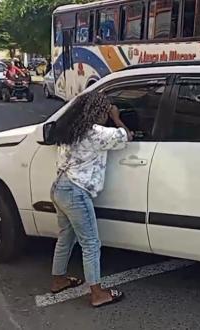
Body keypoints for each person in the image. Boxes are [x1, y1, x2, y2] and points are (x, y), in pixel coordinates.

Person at [49, 92, 132, 308]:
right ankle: (97, 293)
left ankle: (58, 279)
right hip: (76, 192)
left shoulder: (70, 129)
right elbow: (126, 136)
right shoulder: (97, 133)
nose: (106, 114)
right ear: (99, 112)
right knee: (91, 243)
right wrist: (116, 117)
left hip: (59, 187)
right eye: (104, 111)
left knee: (66, 236)